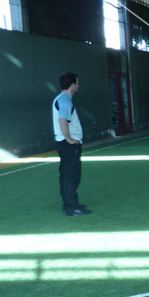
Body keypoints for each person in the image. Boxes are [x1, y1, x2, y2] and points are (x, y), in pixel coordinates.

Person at [53, 72, 91, 216]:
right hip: (68, 145)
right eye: (77, 83)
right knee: (71, 176)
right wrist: (69, 139)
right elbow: (63, 120)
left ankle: (68, 204)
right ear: (72, 84)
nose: (78, 85)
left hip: (63, 144)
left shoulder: (62, 99)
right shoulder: (65, 100)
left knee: (66, 175)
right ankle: (72, 207)